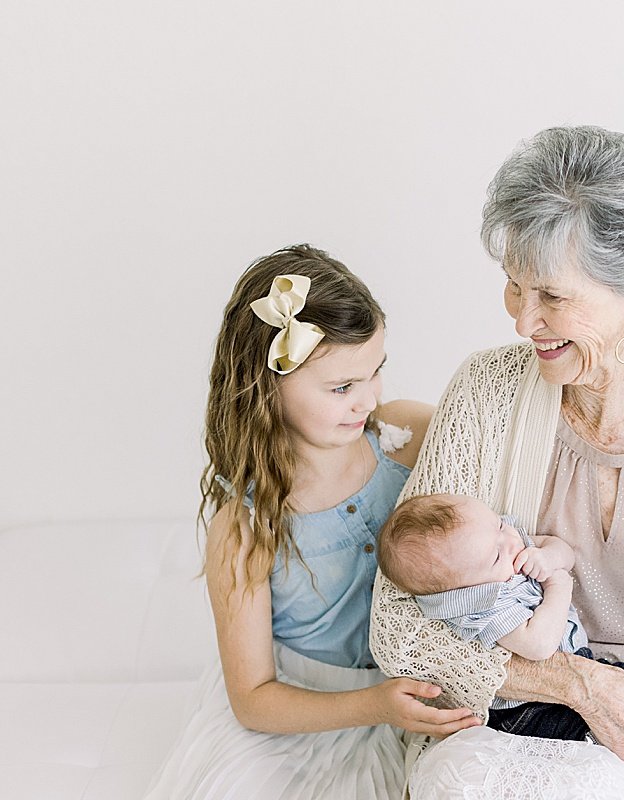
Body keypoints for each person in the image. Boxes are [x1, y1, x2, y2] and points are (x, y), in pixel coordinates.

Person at [369, 125, 624, 800]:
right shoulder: (485, 391)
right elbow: (397, 628)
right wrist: (583, 684)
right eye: (514, 288)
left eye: (552, 296)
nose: (524, 322)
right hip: (505, 721)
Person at [143, 245, 480, 800]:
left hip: (418, 688)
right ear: (267, 388)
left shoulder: (403, 436)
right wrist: (373, 704)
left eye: (375, 372)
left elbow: (498, 456)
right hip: (306, 714)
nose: (368, 398)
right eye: (342, 387)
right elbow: (253, 696)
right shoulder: (246, 526)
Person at [376, 493, 624, 789]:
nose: (512, 541)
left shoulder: (495, 542)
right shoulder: (484, 606)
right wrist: (558, 585)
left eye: (501, 525)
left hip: (584, 659)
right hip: (529, 707)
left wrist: (548, 557)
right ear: (463, 589)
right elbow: (539, 646)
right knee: (584, 735)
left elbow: (563, 551)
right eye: (498, 554)